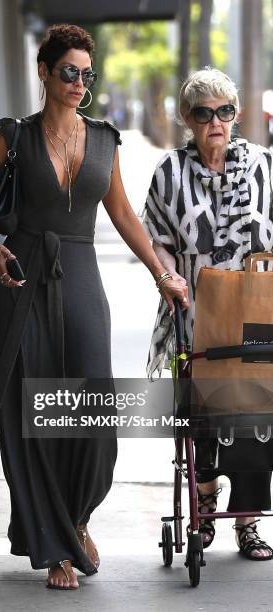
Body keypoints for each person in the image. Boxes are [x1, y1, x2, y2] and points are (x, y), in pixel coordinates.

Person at [0, 24, 187, 590]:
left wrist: (164, 274)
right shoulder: (14, 137)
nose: (79, 83)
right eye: (69, 72)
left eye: (87, 74)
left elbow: (126, 218)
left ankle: (78, 516)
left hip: (81, 279)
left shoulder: (105, 140)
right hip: (21, 281)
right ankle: (56, 545)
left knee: (90, 411)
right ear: (43, 72)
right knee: (33, 414)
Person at [143, 67, 273, 560]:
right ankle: (203, 506)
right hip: (196, 314)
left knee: (256, 413)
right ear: (187, 119)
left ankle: (247, 522)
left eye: (225, 111)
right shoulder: (169, 173)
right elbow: (156, 238)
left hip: (257, 311)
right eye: (204, 113)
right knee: (200, 413)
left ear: (236, 115)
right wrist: (167, 279)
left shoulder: (265, 165)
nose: (216, 121)